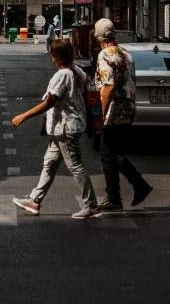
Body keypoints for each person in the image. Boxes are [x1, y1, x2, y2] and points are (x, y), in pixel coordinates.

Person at [12, 38, 100, 219]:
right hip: (62, 127)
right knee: (50, 163)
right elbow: (88, 78)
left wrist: (24, 115)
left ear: (55, 57)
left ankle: (91, 205)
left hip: (65, 128)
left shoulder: (62, 75)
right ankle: (34, 200)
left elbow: (50, 102)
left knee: (75, 166)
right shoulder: (74, 70)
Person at [95, 18, 153, 211]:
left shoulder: (105, 55)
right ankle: (138, 186)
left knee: (107, 152)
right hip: (128, 108)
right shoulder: (127, 54)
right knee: (114, 151)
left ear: (98, 37)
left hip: (114, 110)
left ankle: (115, 197)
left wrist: (101, 114)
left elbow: (109, 87)